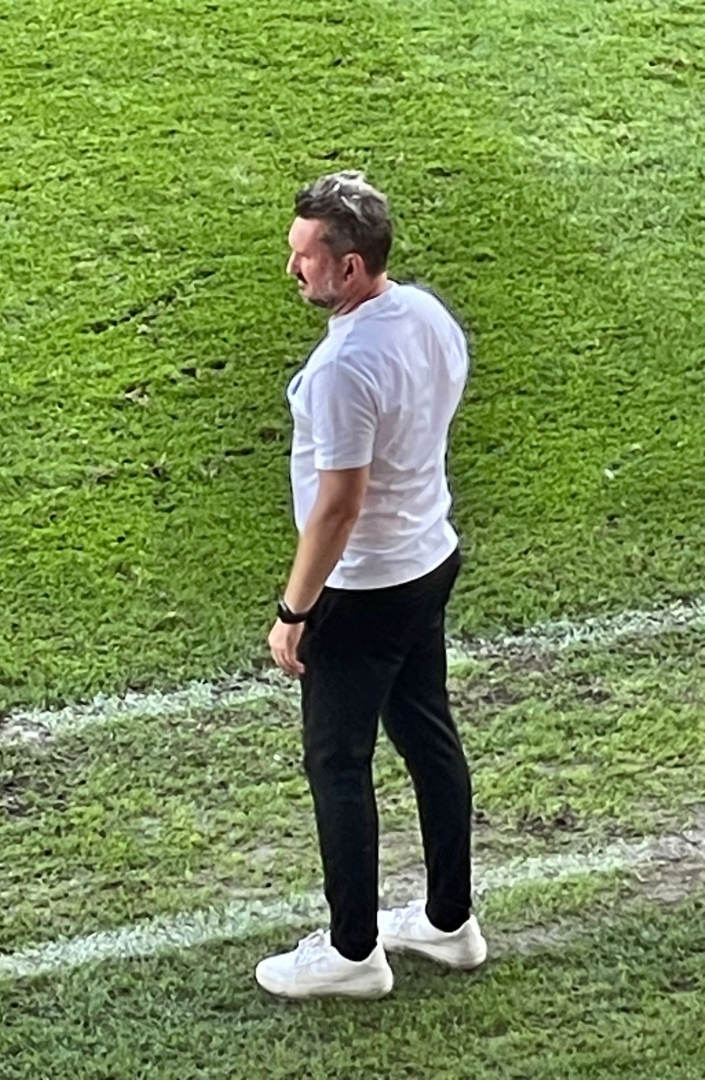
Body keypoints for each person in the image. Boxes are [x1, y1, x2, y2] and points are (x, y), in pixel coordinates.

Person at [256, 171, 487, 1000]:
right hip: (428, 558)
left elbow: (339, 506)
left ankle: (353, 952)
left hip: (364, 590)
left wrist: (296, 609)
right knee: (428, 736)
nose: (293, 269)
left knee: (337, 761)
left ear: (349, 267)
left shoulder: (343, 368)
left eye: (306, 256)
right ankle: (450, 922)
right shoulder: (427, 315)